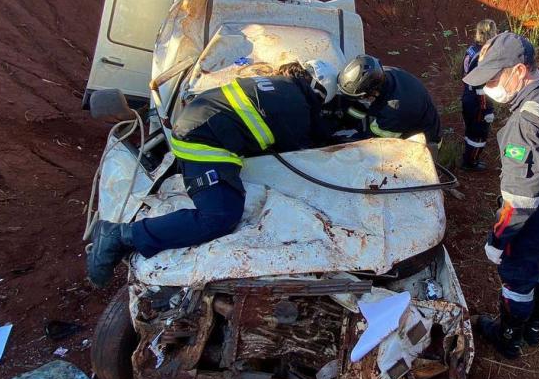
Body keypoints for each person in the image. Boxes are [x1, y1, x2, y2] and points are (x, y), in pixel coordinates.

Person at [86, 67, 333, 288]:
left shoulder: (276, 83)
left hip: (197, 127)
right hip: (202, 142)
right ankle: (121, 235)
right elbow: (305, 151)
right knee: (219, 216)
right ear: (321, 93)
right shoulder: (298, 109)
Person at [462, 32, 539, 360]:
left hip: (538, 209)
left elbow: (521, 201)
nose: (488, 87)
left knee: (517, 276)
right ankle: (534, 328)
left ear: (519, 71)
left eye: (493, 78)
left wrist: (498, 238)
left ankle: (508, 337)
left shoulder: (524, 123)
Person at [337, 55, 442, 155]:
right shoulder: (382, 74)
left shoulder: (395, 111)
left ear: (373, 93)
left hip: (422, 146)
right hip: (408, 120)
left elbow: (372, 143)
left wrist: (344, 142)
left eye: (359, 97)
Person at [461, 19, 498, 171]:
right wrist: (487, 110)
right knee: (479, 133)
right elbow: (480, 87)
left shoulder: (471, 50)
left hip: (467, 96)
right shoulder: (483, 56)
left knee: (470, 129)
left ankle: (468, 158)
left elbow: (463, 74)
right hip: (477, 101)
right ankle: (470, 163)